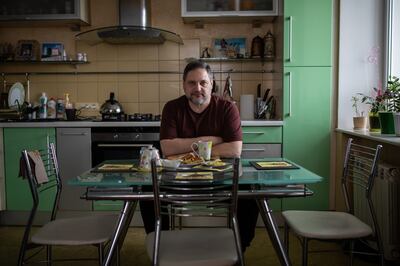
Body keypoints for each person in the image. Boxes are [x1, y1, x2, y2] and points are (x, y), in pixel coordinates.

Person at [139, 60, 259, 252]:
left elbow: (235, 150)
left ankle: (239, 248)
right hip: (177, 184)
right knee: (146, 191)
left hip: (220, 184)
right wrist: (209, 140)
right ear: (183, 85)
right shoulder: (172, 108)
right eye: (192, 83)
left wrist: (185, 151)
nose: (198, 88)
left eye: (203, 82)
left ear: (212, 84)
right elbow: (167, 148)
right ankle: (162, 244)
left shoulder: (227, 108)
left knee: (250, 192)